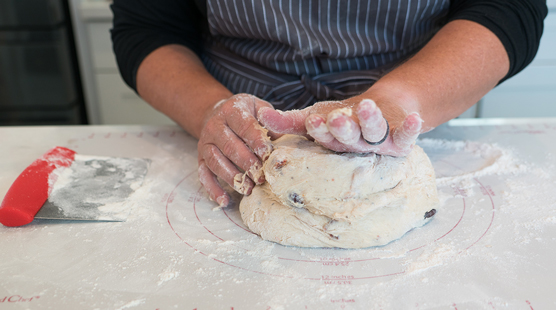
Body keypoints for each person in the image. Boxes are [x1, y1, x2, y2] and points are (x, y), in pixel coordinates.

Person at [111, 0, 547, 207]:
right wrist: (210, 109)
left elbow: (509, 9)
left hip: (414, 107)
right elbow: (147, 27)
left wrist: (397, 99)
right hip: (239, 124)